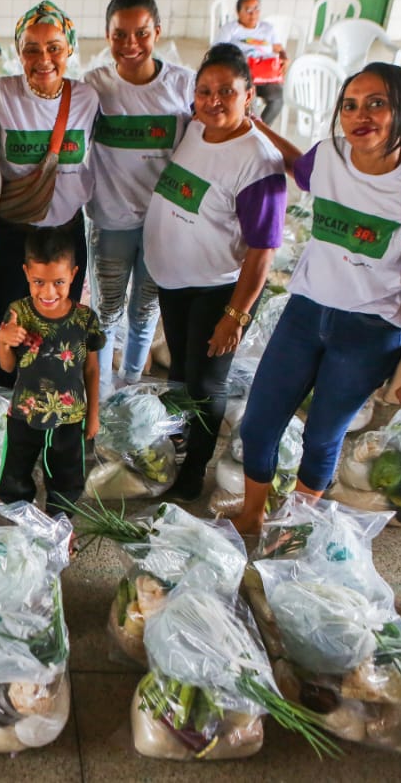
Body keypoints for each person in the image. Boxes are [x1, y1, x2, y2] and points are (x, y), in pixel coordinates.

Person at [233, 62, 401, 535]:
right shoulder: (330, 155)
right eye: (350, 105)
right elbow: (302, 170)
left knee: (323, 435)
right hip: (305, 312)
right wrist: (257, 126)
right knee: (258, 423)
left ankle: (293, 527)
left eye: (377, 103)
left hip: (371, 331)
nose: (361, 116)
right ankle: (252, 517)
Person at [142, 44, 287, 501]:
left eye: (227, 91)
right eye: (205, 91)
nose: (214, 100)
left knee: (205, 384)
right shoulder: (197, 130)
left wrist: (235, 316)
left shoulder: (257, 161)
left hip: (219, 288)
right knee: (183, 373)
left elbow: (263, 251)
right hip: (178, 282)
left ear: (249, 94)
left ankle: (193, 474)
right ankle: (179, 445)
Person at [0, 0, 99, 387]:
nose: (43, 58)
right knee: (11, 322)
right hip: (13, 230)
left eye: (54, 48)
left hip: (65, 231)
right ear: (18, 51)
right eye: (31, 48)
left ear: (70, 49)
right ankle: (6, 399)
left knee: (58, 319)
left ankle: (51, 390)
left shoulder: (87, 99)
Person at [86, 0, 195, 394]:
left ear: (158, 32)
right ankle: (99, 387)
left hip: (162, 226)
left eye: (142, 33)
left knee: (145, 309)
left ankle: (131, 381)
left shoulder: (183, 86)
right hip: (111, 222)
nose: (130, 44)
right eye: (120, 34)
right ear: (107, 35)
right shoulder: (95, 86)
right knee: (105, 310)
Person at [0, 228, 103, 518]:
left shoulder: (85, 319)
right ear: (26, 273)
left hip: (70, 418)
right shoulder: (18, 312)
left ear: (73, 274)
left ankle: (59, 526)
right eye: (38, 282)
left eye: (59, 282)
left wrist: (93, 414)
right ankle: (21, 521)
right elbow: (6, 366)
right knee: (16, 473)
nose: (48, 292)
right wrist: (4, 341)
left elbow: (92, 369)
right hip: (23, 415)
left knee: (66, 477)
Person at [216, 0, 287, 126]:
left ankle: (262, 129)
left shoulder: (267, 28)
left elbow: (279, 49)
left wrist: (284, 57)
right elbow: (217, 52)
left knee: (278, 97)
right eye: (248, 10)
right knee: (249, 99)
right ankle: (252, 128)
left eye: (256, 9)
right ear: (238, 12)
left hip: (264, 75)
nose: (253, 14)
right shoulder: (230, 29)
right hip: (241, 75)